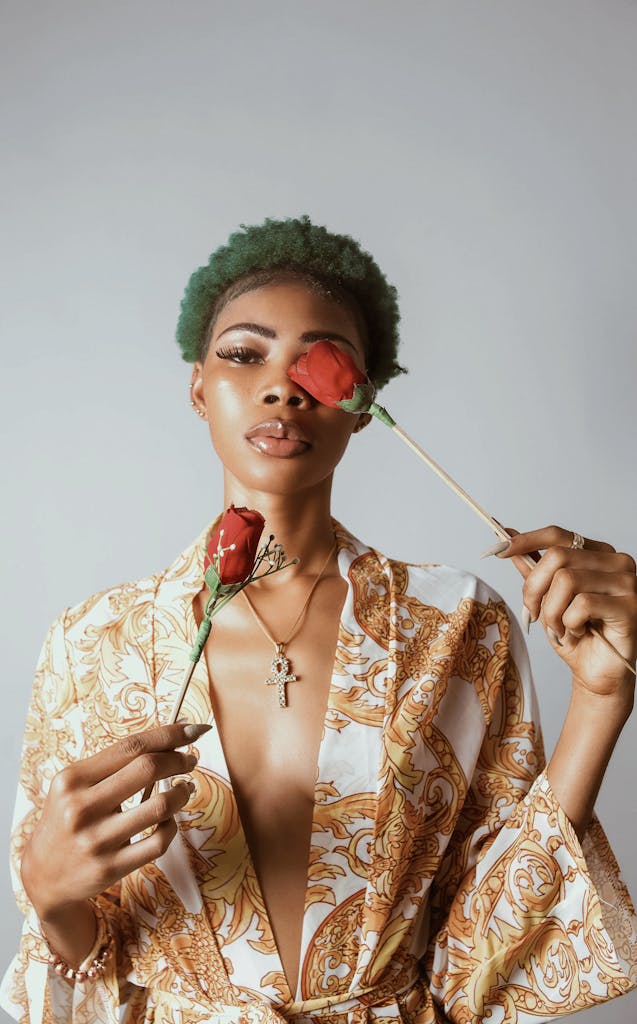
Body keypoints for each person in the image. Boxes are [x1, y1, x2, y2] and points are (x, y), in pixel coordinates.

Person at [2, 214, 636, 1024]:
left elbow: (485, 949)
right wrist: (50, 899)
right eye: (243, 354)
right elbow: (87, 959)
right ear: (198, 387)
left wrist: (603, 698)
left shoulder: (456, 625)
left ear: (362, 405)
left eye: (320, 364)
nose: (282, 385)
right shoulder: (93, 642)